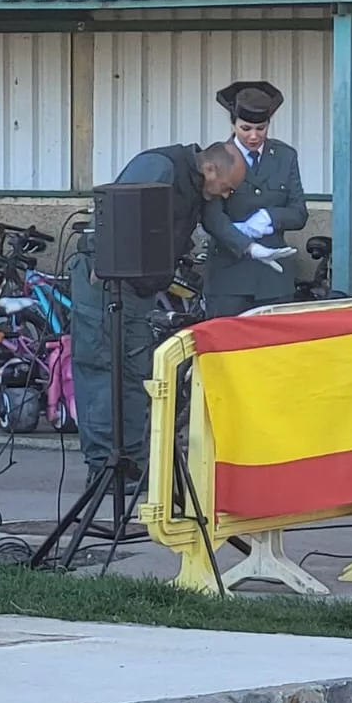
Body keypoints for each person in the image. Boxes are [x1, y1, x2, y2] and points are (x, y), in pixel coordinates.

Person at [70, 142, 247, 492]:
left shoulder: (195, 184)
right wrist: (101, 263)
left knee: (135, 374)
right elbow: (117, 212)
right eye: (228, 186)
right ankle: (104, 465)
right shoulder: (160, 167)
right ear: (211, 169)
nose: (228, 194)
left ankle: (132, 461)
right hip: (106, 282)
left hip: (138, 288)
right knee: (102, 372)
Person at [200, 81, 310, 318]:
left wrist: (269, 217)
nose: (253, 136)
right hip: (228, 278)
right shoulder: (217, 155)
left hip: (274, 279)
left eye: (261, 128)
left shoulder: (285, 156)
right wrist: (243, 241)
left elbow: (299, 212)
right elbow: (211, 215)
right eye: (245, 128)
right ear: (233, 123)